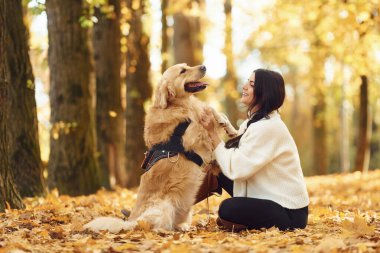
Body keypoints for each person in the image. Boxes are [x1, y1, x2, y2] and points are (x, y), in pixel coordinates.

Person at [197, 68, 309, 232]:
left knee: (227, 209)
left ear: (265, 93)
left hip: (289, 211)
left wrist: (212, 133)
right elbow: (237, 151)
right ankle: (174, 206)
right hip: (267, 197)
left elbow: (235, 168)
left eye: (251, 84)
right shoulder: (257, 122)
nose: (244, 87)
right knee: (215, 168)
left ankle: (236, 218)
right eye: (247, 82)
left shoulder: (269, 127)